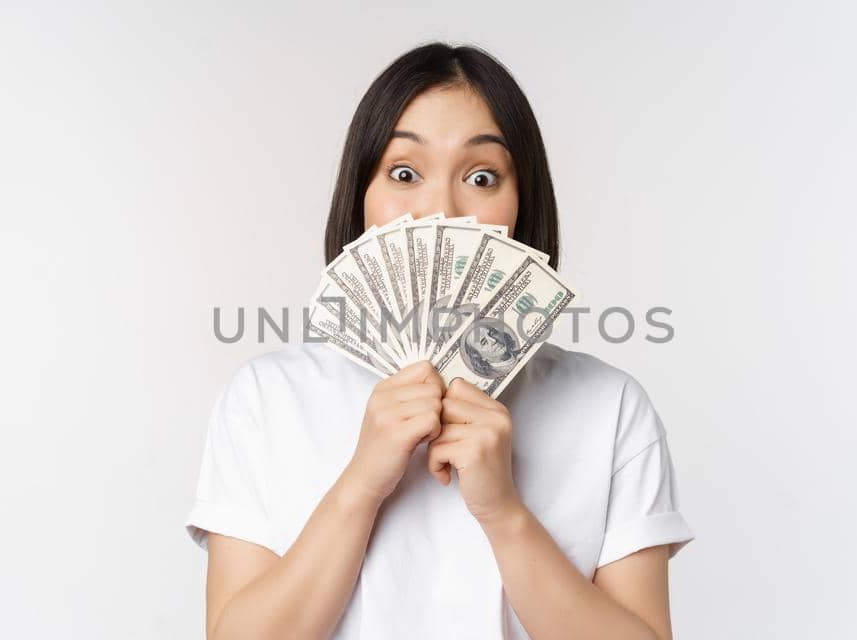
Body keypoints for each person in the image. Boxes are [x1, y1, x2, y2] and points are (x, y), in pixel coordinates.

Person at [184, 42, 695, 639]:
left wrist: (503, 512)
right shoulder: (267, 398)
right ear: (360, 196)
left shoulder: (609, 407)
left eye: (482, 176)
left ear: (522, 202)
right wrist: (363, 481)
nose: (440, 210)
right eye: (404, 172)